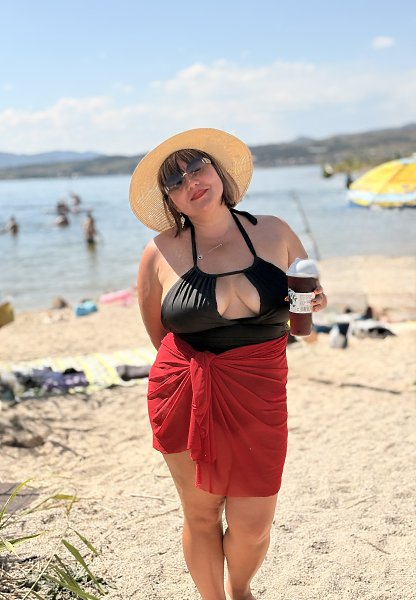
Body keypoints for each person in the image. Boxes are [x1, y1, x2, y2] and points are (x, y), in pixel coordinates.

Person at [129, 128, 327, 600]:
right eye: (176, 181)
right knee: (200, 514)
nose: (191, 182)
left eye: (197, 168)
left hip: (260, 390)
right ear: (171, 200)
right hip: (185, 390)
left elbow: (305, 296)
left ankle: (240, 588)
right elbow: (158, 335)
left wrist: (318, 303)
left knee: (253, 524)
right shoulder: (158, 252)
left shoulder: (275, 231)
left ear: (218, 173)